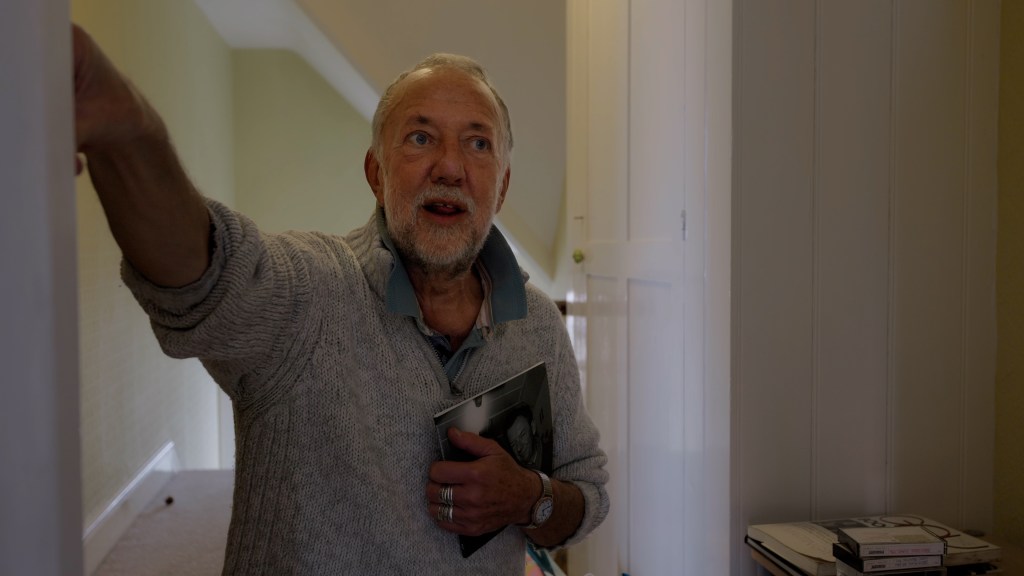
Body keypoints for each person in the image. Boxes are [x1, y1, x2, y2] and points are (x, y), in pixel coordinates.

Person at [72, 23, 609, 575]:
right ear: (376, 174)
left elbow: (586, 492)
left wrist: (529, 496)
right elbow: (202, 275)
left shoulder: (539, 323)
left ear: (503, 187)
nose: (450, 167)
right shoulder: (312, 293)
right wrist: (127, 133)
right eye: (421, 138)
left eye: (478, 143)